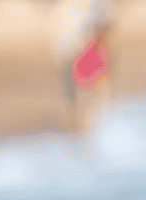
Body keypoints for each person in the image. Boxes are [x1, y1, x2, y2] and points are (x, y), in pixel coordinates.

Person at [49, 0, 115, 135]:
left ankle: (84, 129)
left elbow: (106, 24)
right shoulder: (66, 10)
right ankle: (80, 128)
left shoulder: (91, 7)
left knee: (88, 94)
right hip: (75, 54)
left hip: (84, 54)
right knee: (78, 94)